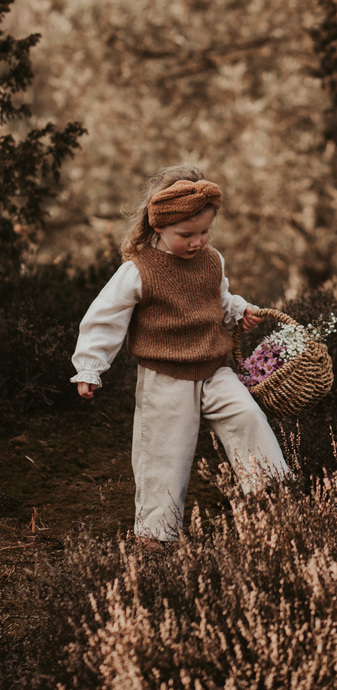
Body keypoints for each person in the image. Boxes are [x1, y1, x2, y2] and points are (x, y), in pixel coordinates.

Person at [71, 164, 290, 551]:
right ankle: (155, 537)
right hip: (165, 378)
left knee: (248, 417)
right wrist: (90, 366)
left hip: (214, 369)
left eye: (205, 232)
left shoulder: (212, 260)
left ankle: (272, 496)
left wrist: (239, 311)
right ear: (159, 227)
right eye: (185, 235)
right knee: (163, 455)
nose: (197, 242)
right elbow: (105, 318)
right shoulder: (138, 270)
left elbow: (217, 298)